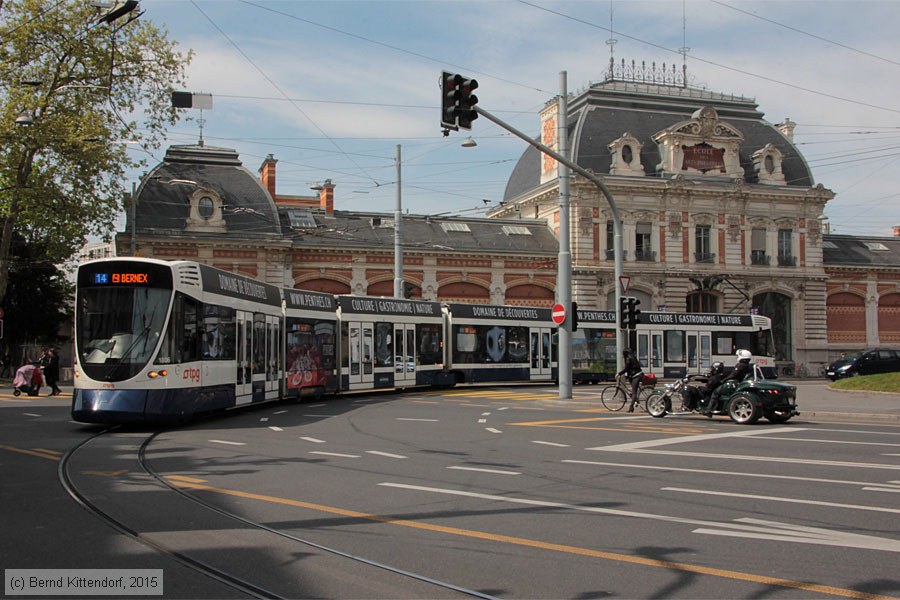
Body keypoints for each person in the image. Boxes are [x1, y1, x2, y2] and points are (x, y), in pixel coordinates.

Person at [705, 349, 753, 415]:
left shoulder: (740, 365)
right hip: (739, 383)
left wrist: (723, 380)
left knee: (715, 392)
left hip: (733, 383)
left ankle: (709, 410)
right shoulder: (750, 366)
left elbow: (733, 375)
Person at [616, 348, 644, 412]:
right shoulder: (633, 357)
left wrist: (619, 374)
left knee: (634, 392)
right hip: (638, 375)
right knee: (633, 390)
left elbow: (626, 369)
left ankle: (631, 407)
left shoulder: (628, 359)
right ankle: (636, 401)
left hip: (636, 376)